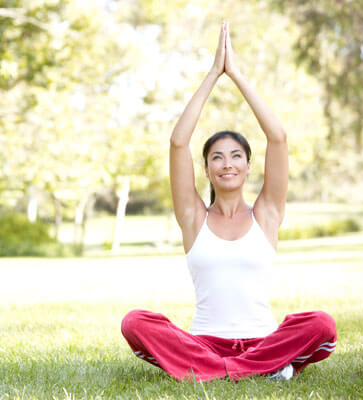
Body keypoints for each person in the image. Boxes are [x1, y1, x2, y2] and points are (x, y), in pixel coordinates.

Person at [121, 22, 337, 382]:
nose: (227, 163)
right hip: (204, 343)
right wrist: (212, 75)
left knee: (322, 324)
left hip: (265, 340)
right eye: (217, 157)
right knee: (135, 322)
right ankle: (256, 371)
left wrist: (235, 74)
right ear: (206, 169)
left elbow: (278, 137)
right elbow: (178, 143)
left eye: (236, 156)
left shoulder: (267, 214)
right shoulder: (193, 218)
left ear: (248, 167)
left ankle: (223, 371)